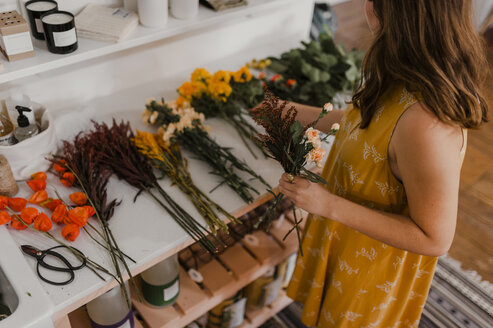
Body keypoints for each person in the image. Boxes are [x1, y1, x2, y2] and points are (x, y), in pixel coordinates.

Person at [279, 0, 489, 327]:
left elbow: (434, 238)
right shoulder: (403, 69)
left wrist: (327, 205)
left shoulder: (427, 126)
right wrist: (284, 111)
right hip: (345, 238)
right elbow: (362, 123)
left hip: (369, 271)